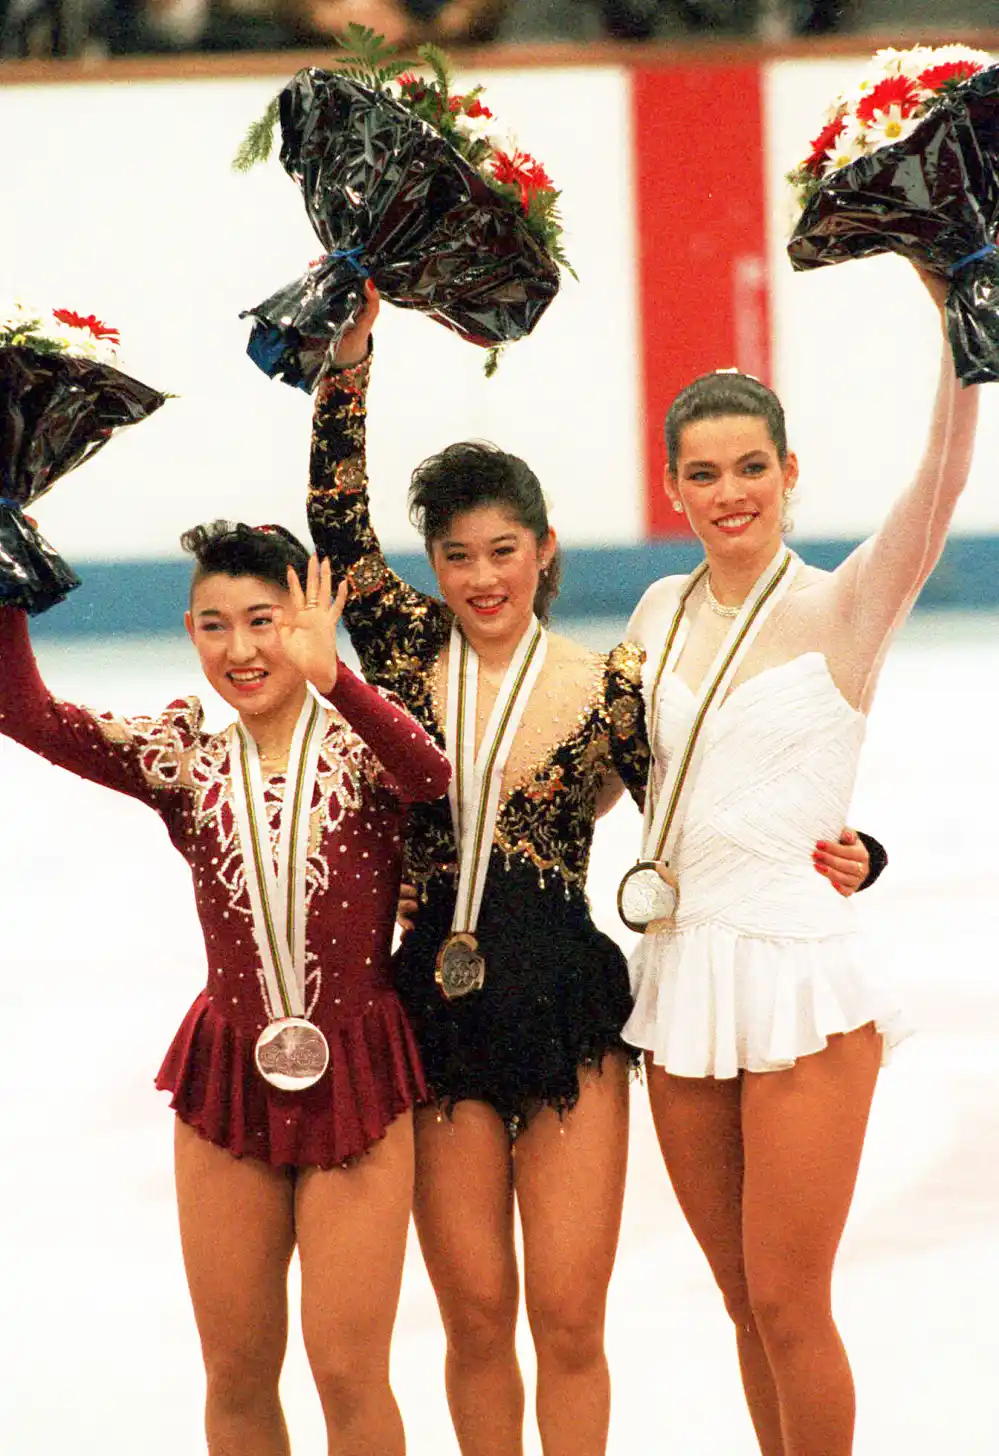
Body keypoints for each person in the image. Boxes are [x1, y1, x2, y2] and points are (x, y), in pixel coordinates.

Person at [304, 283, 882, 1456]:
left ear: (545, 550)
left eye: (504, 551)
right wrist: (348, 363)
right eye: (457, 556)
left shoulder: (607, 683)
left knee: (570, 1318)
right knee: (476, 1317)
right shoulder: (405, 655)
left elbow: (717, 789)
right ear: (433, 565)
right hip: (439, 1017)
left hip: (571, 1005)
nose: (483, 577)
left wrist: (863, 850)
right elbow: (337, 520)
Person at [0, 521, 451, 1456]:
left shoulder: (362, 746)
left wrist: (337, 679)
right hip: (228, 1077)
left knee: (347, 1370)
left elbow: (429, 773)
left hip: (358, 1074)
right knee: (237, 1372)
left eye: (263, 620)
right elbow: (25, 713)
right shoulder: (185, 760)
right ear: (189, 631)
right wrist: (4, 583)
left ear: (306, 621)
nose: (240, 649)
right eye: (214, 625)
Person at [623, 268, 977, 1456]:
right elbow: (627, 780)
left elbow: (940, 482)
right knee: (740, 1301)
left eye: (751, 468)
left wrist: (955, 311)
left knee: (789, 1296)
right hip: (680, 972)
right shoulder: (654, 613)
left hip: (798, 979)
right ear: (674, 486)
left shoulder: (846, 605)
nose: (731, 493)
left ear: (788, 473)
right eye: (705, 473)